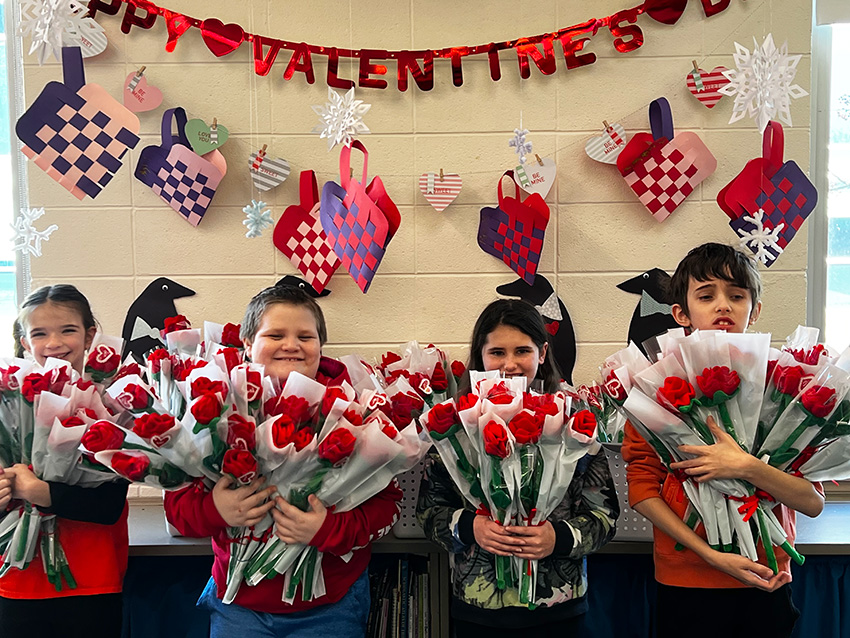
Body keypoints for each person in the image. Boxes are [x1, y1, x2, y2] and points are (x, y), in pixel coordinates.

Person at [164, 284, 403, 638]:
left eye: (305, 336)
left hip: (330, 606)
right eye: (275, 334)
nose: (291, 345)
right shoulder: (213, 408)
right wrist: (217, 509)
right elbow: (176, 508)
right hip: (237, 605)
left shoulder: (357, 410)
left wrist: (327, 530)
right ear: (247, 343)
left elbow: (388, 506)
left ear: (321, 346)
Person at [622, 243, 825, 638]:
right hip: (686, 576)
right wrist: (711, 555)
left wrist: (747, 466)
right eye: (706, 295)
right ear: (681, 312)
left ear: (756, 309)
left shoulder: (783, 386)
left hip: (766, 573)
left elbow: (812, 501)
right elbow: (641, 487)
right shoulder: (655, 385)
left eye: (737, 296)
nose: (723, 306)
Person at [417, 298, 619, 637]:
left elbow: (605, 516)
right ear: (479, 356)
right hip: (476, 607)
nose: (509, 365)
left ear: (542, 353)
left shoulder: (575, 420)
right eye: (497, 352)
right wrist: (471, 528)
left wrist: (559, 538)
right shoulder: (456, 428)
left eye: (522, 351)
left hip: (560, 606)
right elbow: (428, 512)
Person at [0, 284, 129, 638]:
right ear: (25, 343)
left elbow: (108, 506)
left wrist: (40, 491)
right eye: (39, 333)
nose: (53, 342)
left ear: (89, 336)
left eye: (67, 330)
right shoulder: (8, 405)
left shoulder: (114, 405)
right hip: (16, 579)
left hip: (92, 579)